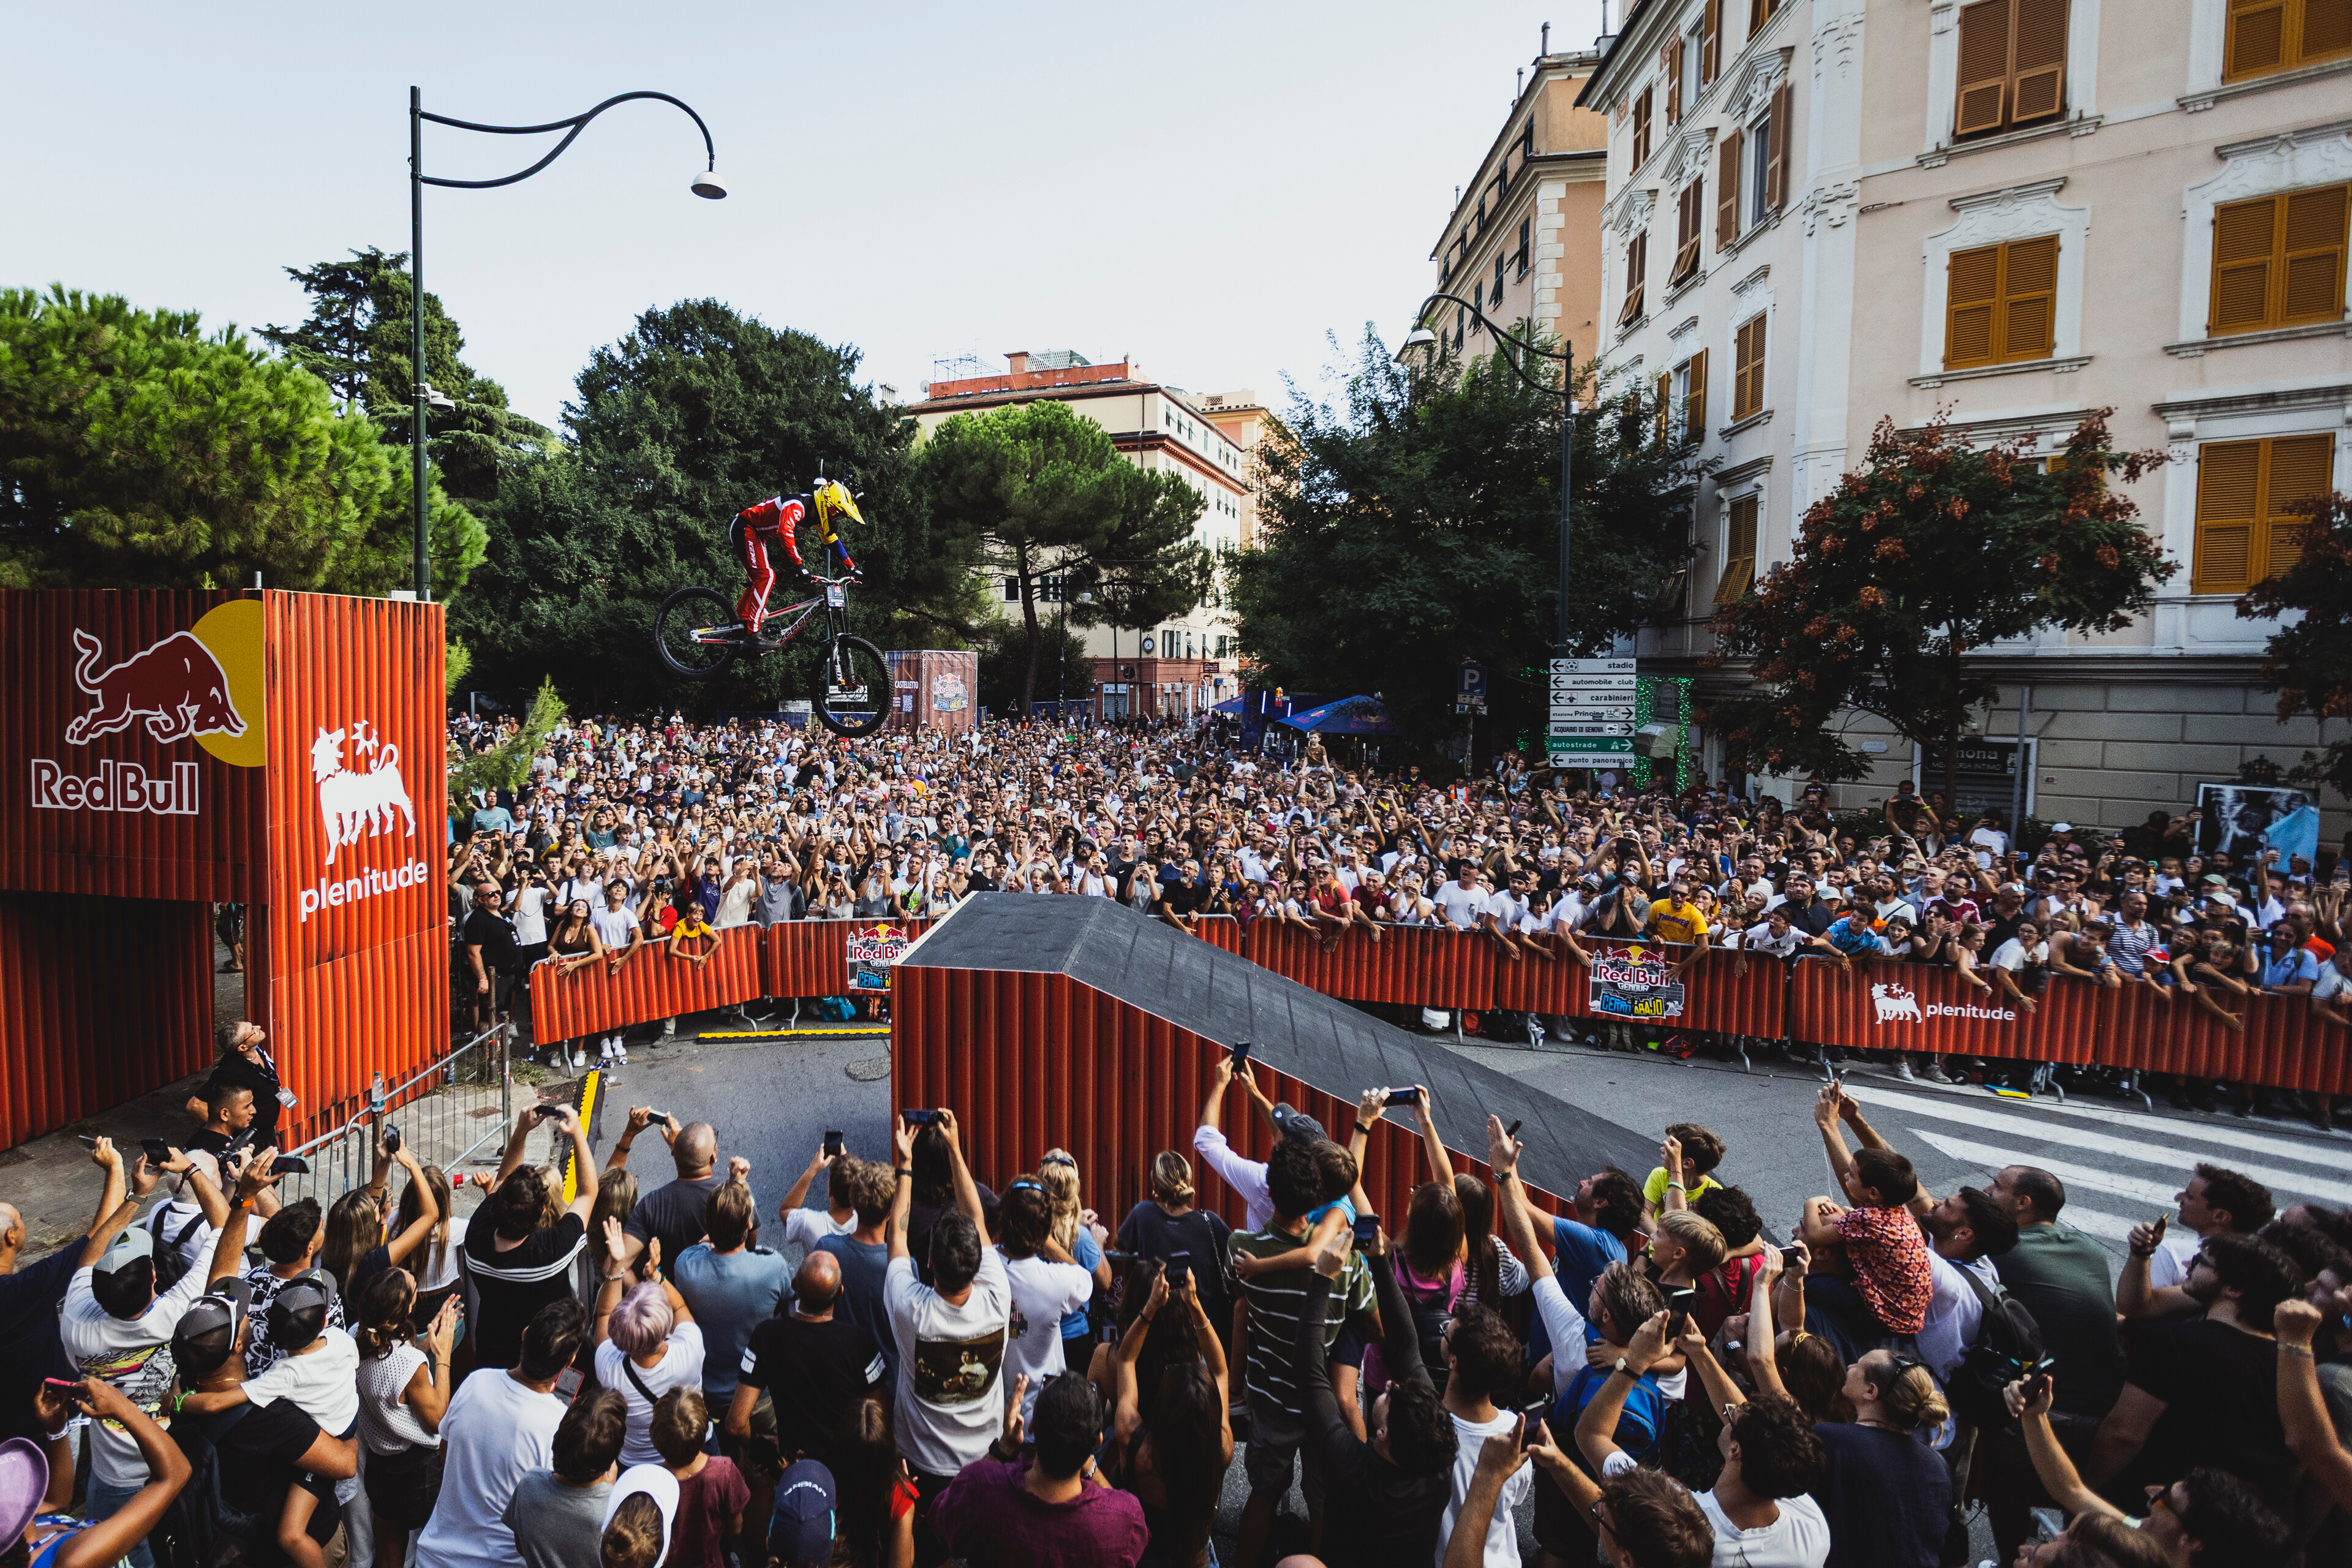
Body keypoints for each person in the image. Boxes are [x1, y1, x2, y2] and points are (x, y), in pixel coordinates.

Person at [60, 1142, 232, 1568]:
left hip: (114, 1479)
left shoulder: (76, 1327)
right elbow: (227, 1229)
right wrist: (191, 1170)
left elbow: (90, 1255)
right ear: (155, 1274)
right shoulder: (178, 1313)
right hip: (174, 1457)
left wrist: (135, 1195)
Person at [1230, 1134, 1375, 1568]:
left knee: (1263, 1492)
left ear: (1269, 1191)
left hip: (1271, 1399)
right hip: (1322, 1405)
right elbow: (1376, 1324)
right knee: (1321, 1501)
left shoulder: (1240, 1249)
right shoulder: (1343, 1257)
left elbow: (1236, 1301)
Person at [2084, 1232, 2302, 1518]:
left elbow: (2124, 1434)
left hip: (2161, 1507)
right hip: (2245, 1518)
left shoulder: (2172, 1341)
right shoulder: (2294, 1366)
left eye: (2201, 1262)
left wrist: (2084, 1490)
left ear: (2234, 1288)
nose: (2188, 1264)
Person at [883, 1109, 1010, 1556]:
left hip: (923, 1463)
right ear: (979, 1264)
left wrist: (905, 1166)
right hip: (987, 1458)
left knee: (932, 1553)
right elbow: (975, 1213)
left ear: (930, 1263)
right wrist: (955, 1147)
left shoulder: (909, 1310)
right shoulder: (998, 1298)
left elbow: (896, 1236)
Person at [2005, 1370, 2287, 1568]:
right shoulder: (2144, 1542)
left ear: (2192, 1542)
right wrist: (2035, 1415)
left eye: (2165, 1498)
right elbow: (2070, 1490)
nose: (2150, 1491)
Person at [415, 1298, 589, 1568]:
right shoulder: (559, 1425)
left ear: (525, 1334)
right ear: (569, 1362)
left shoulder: (475, 1381)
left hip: (436, 1556)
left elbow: (444, 1452)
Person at [928, 1371, 1148, 1568]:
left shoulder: (978, 1488)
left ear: (1033, 1426)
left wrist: (1003, 1449)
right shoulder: (1122, 1519)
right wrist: (1090, 1464)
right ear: (1098, 1441)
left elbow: (939, 1518)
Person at [0, 1134, 130, 1451]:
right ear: (12, 1236)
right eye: (21, 1219)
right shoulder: (24, 1289)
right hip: (43, 1426)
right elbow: (100, 1238)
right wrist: (115, 1169)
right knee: (56, 1498)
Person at [1101, 1266, 1232, 1567]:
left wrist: (1149, 1309)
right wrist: (1194, 1305)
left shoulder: (1137, 1448)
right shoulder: (1221, 1446)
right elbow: (1221, 1370)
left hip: (1145, 1554)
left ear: (1163, 1404)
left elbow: (1126, 1358)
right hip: (1196, 1556)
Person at [461, 1104, 598, 1375]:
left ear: (496, 1207)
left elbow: (501, 1180)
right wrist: (577, 1134)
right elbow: (587, 1193)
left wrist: (521, 1130)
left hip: (493, 1361)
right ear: (541, 1214)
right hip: (547, 1363)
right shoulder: (550, 1251)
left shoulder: (476, 1236)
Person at [731, 1249, 888, 1474]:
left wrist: (763, 1451)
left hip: (793, 1470)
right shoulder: (861, 1343)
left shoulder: (766, 1336)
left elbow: (735, 1425)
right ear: (840, 1293)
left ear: (794, 1285)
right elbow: (879, 1417)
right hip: (846, 1473)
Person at [13, 1375, 193, 1568]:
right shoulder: (74, 1560)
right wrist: (123, 1408)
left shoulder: (20, 1529)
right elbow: (176, 1474)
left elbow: (57, 1503)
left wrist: (56, 1430)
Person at [352, 1269, 459, 1568]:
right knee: (439, 1541)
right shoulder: (408, 1363)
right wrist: (443, 1355)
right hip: (417, 1473)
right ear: (409, 1307)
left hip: (379, 1466)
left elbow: (393, 1364)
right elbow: (437, 1419)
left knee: (389, 1550)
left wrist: (427, 1339)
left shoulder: (358, 1337)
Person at [669, 1178, 788, 1443]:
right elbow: (789, 1305)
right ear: (749, 1225)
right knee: (767, 1450)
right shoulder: (773, 1267)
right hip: (759, 1396)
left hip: (706, 1394)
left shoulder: (686, 1266)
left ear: (708, 1226)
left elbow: (698, 1249)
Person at [590, 1223, 705, 1468]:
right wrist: (657, 1277)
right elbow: (680, 1307)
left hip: (635, 1463)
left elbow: (604, 1314)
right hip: (694, 1448)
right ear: (666, 1328)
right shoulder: (690, 1349)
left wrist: (616, 1263)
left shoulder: (609, 1369)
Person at [993, 1178, 1096, 1423]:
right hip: (1044, 1417)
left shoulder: (985, 1265)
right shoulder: (1057, 1281)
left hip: (997, 1416)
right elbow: (1087, 1280)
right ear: (1045, 1227)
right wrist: (1046, 1239)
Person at [1115, 1150, 1235, 1355]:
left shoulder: (1143, 1215)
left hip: (1155, 1337)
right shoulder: (1211, 1223)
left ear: (1155, 1185)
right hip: (1202, 1340)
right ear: (1188, 1180)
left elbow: (1120, 1243)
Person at [503, 1390, 627, 1568]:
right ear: (610, 1462)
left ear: (557, 1441)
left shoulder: (529, 1485)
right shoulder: (618, 1513)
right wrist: (610, 1493)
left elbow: (522, 1547)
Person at [730, 480, 862, 636]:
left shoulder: (816, 516)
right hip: (745, 527)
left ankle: (737, 624)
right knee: (766, 577)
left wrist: (851, 567)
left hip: (756, 534)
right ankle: (752, 631)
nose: (836, 520)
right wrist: (799, 566)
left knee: (756, 582)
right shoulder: (797, 505)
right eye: (837, 515)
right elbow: (784, 531)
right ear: (827, 505)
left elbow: (831, 540)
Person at [818, 1158, 900, 1387]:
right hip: (888, 1384)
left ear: (852, 1202)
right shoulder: (902, 1266)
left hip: (839, 1379)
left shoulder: (827, 1249)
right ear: (891, 1213)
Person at [650, 1389, 748, 1568]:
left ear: (655, 1439)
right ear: (704, 1430)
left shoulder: (650, 1483)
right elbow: (737, 1527)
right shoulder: (724, 1471)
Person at [617, 1114, 726, 1269]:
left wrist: (654, 1290)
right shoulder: (732, 1194)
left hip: (672, 1290)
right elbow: (749, 1247)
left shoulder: (651, 1205)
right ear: (713, 1158)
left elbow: (616, 1265)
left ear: (673, 1154)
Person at [184, 1019, 288, 1152]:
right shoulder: (230, 1069)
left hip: (268, 1134)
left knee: (276, 1170)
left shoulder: (256, 1049)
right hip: (250, 1141)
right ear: (242, 1047)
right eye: (252, 1030)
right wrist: (228, 1135)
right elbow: (195, 1106)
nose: (258, 1027)